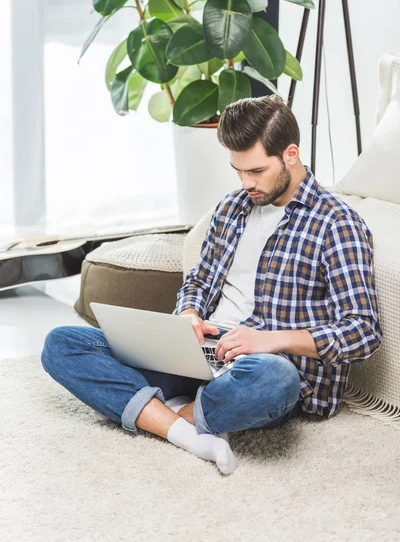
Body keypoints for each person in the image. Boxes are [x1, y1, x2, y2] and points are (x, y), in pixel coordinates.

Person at [41, 95, 383, 475]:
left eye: (255, 170)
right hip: (200, 351)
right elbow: (199, 281)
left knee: (276, 381)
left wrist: (273, 339)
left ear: (290, 154)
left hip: (264, 366)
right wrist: (188, 313)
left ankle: (165, 413)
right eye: (238, 171)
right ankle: (187, 427)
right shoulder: (231, 208)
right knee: (63, 345)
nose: (246, 183)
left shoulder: (337, 224)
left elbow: (363, 331)